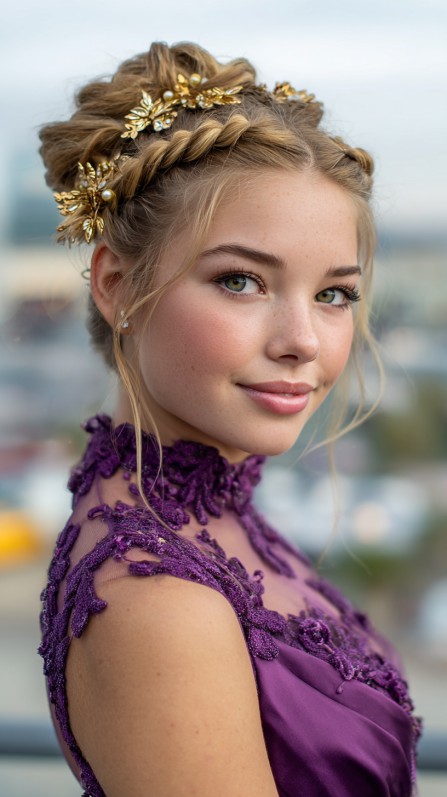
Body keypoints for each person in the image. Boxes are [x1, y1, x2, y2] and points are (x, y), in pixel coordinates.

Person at [38, 41, 421, 797]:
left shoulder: (210, 512)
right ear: (117, 285)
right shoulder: (156, 601)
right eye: (241, 280)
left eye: (333, 293)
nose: (302, 340)